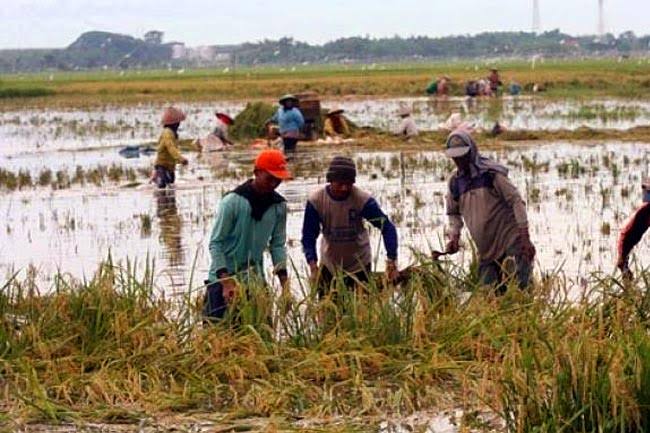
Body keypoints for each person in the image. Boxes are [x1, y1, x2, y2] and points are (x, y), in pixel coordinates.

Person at [204, 149, 292, 320]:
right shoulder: (232, 202)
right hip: (223, 280)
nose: (274, 184)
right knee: (217, 338)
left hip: (255, 281)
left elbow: (277, 245)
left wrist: (285, 286)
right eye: (270, 178)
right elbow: (216, 243)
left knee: (263, 336)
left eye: (278, 180)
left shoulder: (279, 207)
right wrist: (226, 281)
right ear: (257, 172)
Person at [443, 130, 535, 293]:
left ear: (471, 152)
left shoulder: (491, 175)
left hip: (509, 241)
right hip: (486, 251)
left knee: (520, 292)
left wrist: (524, 237)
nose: (458, 161)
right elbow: (453, 214)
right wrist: (454, 238)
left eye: (462, 156)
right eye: (455, 157)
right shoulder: (455, 183)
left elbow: (516, 201)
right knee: (488, 296)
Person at [301, 156, 399, 297]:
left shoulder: (362, 200)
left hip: (359, 265)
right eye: (340, 184)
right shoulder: (316, 201)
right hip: (329, 266)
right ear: (330, 180)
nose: (344, 188)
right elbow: (308, 237)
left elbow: (387, 227)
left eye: (349, 184)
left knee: (362, 311)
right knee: (327, 312)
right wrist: (313, 266)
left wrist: (392, 261)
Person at [616, 178, 650, 279]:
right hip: (626, 237)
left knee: (622, 264)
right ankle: (629, 288)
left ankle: (629, 289)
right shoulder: (645, 209)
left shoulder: (645, 208)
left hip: (626, 237)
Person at [153, 107, 189, 189]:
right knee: (163, 190)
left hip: (170, 167)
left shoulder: (173, 134)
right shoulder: (167, 133)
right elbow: (171, 148)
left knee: (170, 192)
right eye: (178, 123)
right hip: (162, 166)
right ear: (175, 123)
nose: (179, 124)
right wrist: (181, 159)